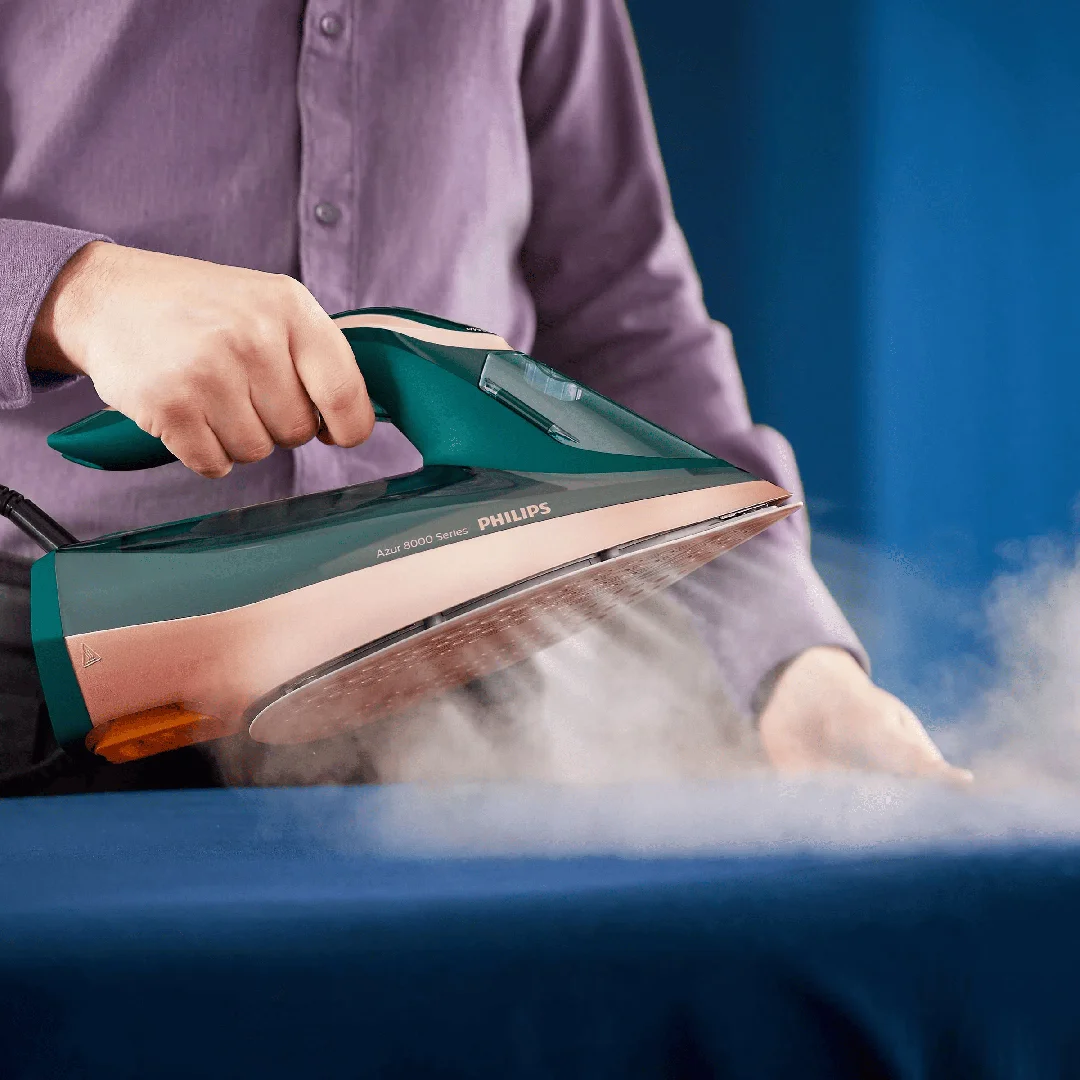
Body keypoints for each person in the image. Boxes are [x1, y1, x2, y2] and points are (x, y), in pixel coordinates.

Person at [0, 1, 972, 791]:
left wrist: (793, 667)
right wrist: (74, 296)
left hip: (451, 701)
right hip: (53, 675)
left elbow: (624, 322)